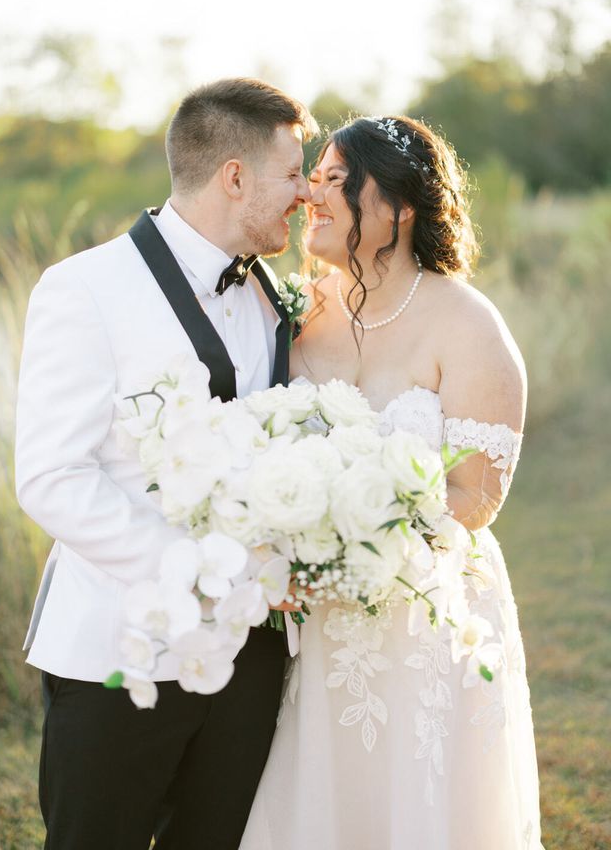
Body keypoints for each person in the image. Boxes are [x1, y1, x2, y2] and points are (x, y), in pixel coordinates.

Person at [15, 77, 317, 850]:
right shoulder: (83, 288)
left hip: (249, 663)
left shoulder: (270, 296)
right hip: (122, 651)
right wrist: (204, 568)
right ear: (235, 176)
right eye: (293, 172)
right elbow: (52, 476)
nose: (307, 191)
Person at [240, 115, 544, 849]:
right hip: (314, 619)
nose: (314, 195)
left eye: (337, 181)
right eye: (314, 178)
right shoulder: (295, 314)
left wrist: (362, 536)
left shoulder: (466, 325)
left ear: (400, 208)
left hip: (423, 616)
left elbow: (476, 498)